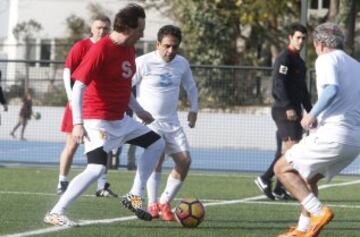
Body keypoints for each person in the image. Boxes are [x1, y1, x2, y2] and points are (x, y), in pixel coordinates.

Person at [43, 4, 165, 226]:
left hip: (120, 120)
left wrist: (139, 110)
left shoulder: (129, 49)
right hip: (96, 119)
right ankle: (56, 212)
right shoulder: (100, 50)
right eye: (140, 29)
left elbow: (123, 87)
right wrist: (78, 123)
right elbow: (79, 86)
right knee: (97, 168)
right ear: (127, 28)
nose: (142, 34)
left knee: (157, 144)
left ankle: (134, 195)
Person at [274, 22, 360, 237]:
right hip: (353, 140)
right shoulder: (355, 65)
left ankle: (319, 212)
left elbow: (331, 90)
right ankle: (303, 230)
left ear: (320, 44)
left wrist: (312, 114)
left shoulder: (326, 59)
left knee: (282, 168)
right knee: (308, 179)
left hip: (333, 135)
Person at [132, 25, 198, 221]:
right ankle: (152, 203)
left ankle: (164, 201)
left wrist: (194, 109)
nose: (171, 51)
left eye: (175, 47)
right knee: (156, 158)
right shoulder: (143, 62)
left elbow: (191, 87)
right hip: (149, 122)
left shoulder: (182, 63)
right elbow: (125, 87)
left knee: (185, 161)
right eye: (167, 46)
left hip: (172, 122)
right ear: (157, 44)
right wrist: (138, 111)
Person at [56, 15, 118, 197]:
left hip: (100, 107)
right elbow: (67, 72)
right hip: (79, 104)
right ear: (92, 28)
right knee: (72, 145)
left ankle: (102, 185)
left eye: (106, 28)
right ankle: (62, 181)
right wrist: (70, 96)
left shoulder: (111, 48)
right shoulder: (81, 47)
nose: (102, 31)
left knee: (103, 145)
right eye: (99, 27)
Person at [255, 23, 312, 201]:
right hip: (283, 110)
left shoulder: (300, 62)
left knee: (287, 152)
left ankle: (280, 188)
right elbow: (278, 84)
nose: (301, 41)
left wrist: (310, 111)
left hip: (296, 111)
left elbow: (303, 90)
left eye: (303, 38)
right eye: (298, 37)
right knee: (293, 151)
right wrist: (288, 106)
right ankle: (265, 178)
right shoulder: (284, 58)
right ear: (290, 38)